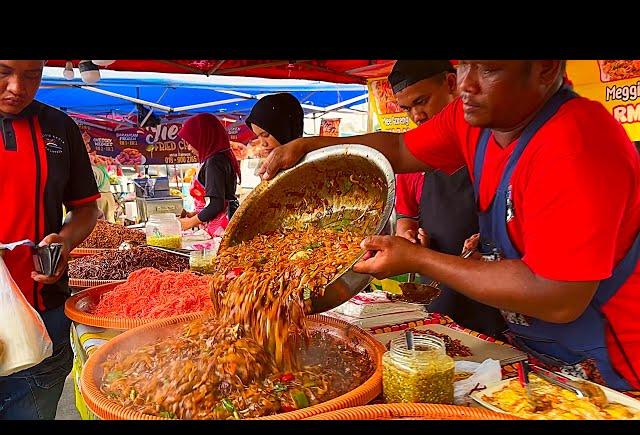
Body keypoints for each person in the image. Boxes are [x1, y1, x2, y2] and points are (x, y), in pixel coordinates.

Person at [258, 60, 640, 391]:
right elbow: (403, 149)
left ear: (546, 68)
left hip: (612, 365)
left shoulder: (576, 144)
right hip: (534, 348)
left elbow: (557, 296)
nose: (466, 85)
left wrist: (420, 260)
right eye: (463, 66)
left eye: (489, 69)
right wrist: (314, 147)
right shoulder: (475, 120)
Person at [0, 60, 100, 419]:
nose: (17, 87)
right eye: (3, 72)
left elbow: (86, 209)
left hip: (43, 319)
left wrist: (64, 242)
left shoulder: (59, 128)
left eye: (32, 75)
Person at [388, 60, 505, 337]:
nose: (417, 115)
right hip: (438, 292)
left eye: (422, 101)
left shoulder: (493, 142)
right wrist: (409, 237)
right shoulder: (412, 159)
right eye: (407, 109)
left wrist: (491, 239)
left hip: (495, 292)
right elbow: (406, 216)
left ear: (452, 84)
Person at [177, 113, 241, 237]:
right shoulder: (222, 157)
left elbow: (216, 205)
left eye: (190, 142)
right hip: (226, 222)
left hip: (222, 228)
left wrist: (189, 223)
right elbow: (216, 200)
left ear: (202, 137)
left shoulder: (214, 162)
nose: (189, 148)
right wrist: (196, 214)